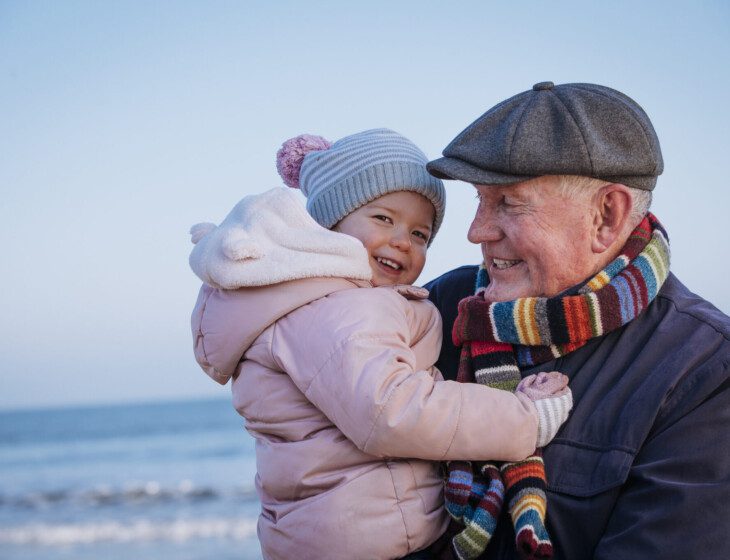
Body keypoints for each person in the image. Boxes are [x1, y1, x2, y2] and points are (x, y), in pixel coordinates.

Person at [188, 128, 573, 559]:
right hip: (365, 541)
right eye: (383, 219)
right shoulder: (337, 308)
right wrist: (524, 419)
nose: (401, 241)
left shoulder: (306, 298)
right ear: (329, 223)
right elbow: (392, 410)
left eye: (420, 234)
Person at [425, 81, 730, 559]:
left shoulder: (705, 372)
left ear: (607, 216)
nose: (475, 231)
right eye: (479, 200)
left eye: (508, 203)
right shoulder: (444, 305)